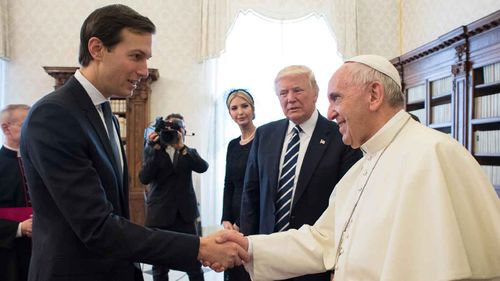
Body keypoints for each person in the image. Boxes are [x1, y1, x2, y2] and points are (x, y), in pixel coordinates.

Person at [217, 55, 500, 281]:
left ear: (374, 95)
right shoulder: (361, 167)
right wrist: (249, 247)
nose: (329, 112)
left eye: (336, 98)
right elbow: (323, 240)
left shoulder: (435, 154)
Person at [19, 4, 247, 281]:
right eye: (136, 56)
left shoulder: (107, 115)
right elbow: (97, 227)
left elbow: (116, 213)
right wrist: (198, 247)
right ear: (97, 49)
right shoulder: (54, 115)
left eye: (146, 58)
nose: (143, 70)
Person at [239, 65, 362, 281]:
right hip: (267, 256)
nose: (290, 98)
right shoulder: (264, 135)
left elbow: (349, 206)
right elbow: (251, 194)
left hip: (314, 262)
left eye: (298, 90)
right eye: (283, 93)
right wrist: (248, 249)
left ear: (315, 93)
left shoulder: (340, 137)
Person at [139, 113, 208, 281]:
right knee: (159, 266)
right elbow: (144, 178)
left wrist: (182, 147)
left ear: (183, 131)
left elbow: (203, 167)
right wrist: (154, 149)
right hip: (160, 215)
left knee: (193, 263)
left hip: (185, 215)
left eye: (179, 128)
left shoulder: (188, 152)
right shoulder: (152, 150)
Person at [221, 89, 256, 281]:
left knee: (248, 268)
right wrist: (226, 218)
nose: (240, 112)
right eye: (234, 108)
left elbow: (260, 185)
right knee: (232, 269)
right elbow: (229, 184)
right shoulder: (232, 145)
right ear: (229, 113)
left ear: (253, 109)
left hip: (252, 215)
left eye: (244, 106)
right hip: (232, 217)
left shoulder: (263, 139)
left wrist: (241, 221)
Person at [0, 104, 32, 281]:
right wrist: (19, 228)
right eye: (25, 124)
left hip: (41, 247)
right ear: (6, 128)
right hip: (8, 253)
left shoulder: (39, 163)